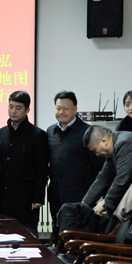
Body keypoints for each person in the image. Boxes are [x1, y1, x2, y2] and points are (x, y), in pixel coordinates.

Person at [0, 91, 49, 236]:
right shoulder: (1, 133)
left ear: (27, 110)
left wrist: (38, 197)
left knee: (27, 236)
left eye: (18, 108)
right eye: (11, 107)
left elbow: (42, 169)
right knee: (1, 236)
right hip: (3, 197)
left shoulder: (38, 135)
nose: (13, 111)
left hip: (26, 198)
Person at [47, 91, 105, 224]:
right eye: (58, 108)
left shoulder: (88, 133)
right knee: (58, 232)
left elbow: (100, 168)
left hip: (80, 199)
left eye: (65, 108)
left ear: (75, 109)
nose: (61, 112)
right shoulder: (50, 131)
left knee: (77, 234)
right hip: (56, 197)